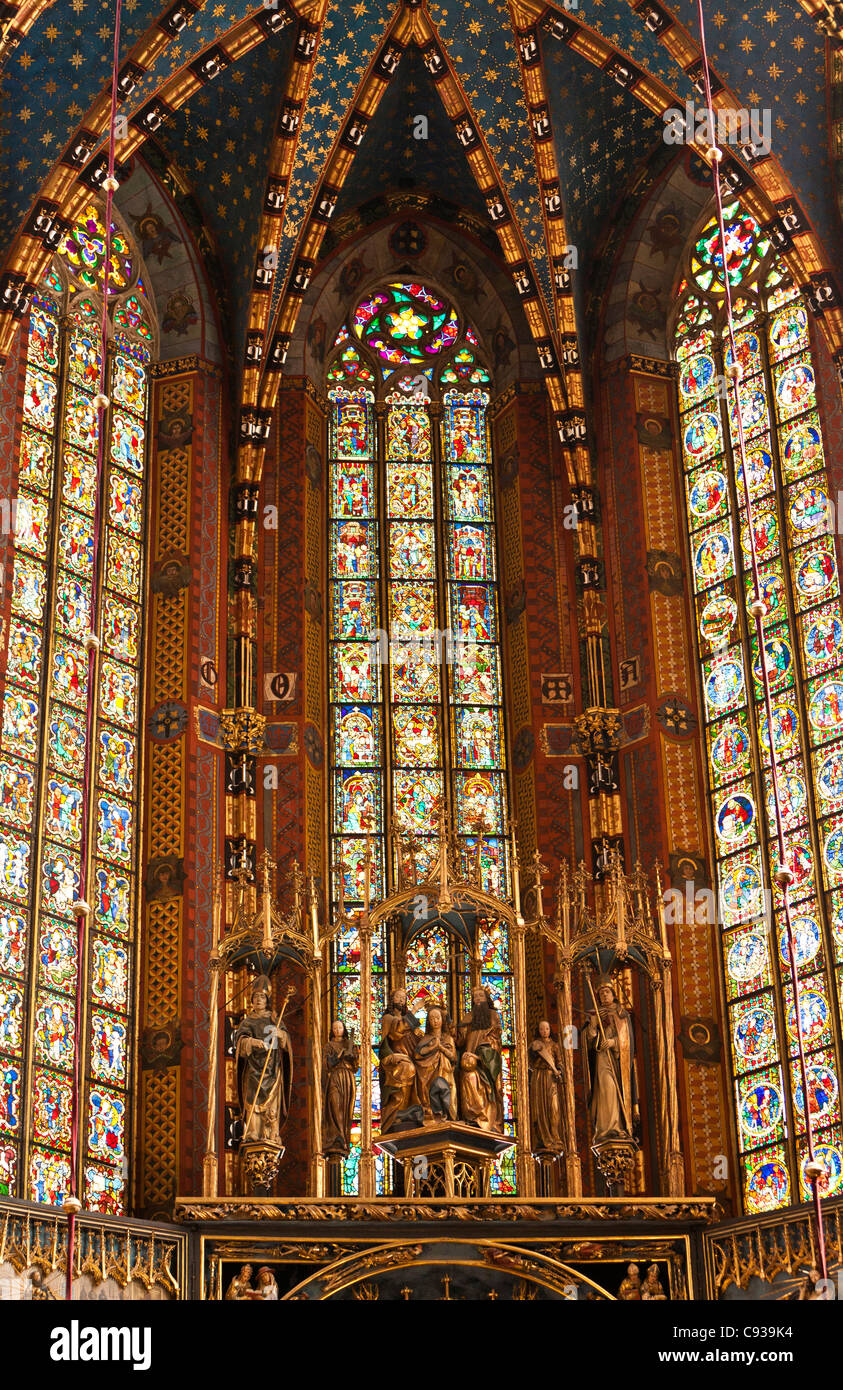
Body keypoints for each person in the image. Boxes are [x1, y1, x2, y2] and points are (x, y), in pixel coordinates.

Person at [233, 978, 293, 1142]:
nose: (259, 1000)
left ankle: (271, 1132)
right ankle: (253, 1131)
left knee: (272, 1100)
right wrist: (252, 1042)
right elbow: (240, 1042)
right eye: (256, 996)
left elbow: (286, 1043)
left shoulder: (274, 1019)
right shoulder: (247, 1021)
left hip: (272, 1068)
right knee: (252, 1097)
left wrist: (280, 1035)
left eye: (262, 997)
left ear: (267, 1000)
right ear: (251, 999)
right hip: (253, 1069)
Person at [584, 979, 636, 1143]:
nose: (603, 995)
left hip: (618, 1061)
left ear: (614, 994)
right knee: (607, 1089)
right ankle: (605, 1128)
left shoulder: (622, 1014)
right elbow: (588, 1041)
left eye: (606, 992)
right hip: (602, 1059)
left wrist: (614, 1042)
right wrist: (593, 1025)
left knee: (617, 1088)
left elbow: (627, 1039)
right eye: (600, 993)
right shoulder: (595, 1013)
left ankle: (619, 1126)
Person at [457, 986, 503, 1131]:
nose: (477, 999)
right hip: (469, 1060)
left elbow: (495, 1041)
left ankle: (486, 1119)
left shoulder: (493, 1016)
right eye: (475, 997)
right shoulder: (468, 1017)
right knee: (468, 1078)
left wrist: (480, 1056)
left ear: (486, 999)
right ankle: (472, 1117)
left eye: (480, 996)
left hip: (487, 1063)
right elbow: (459, 1041)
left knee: (484, 1085)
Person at [378, 986, 422, 1133]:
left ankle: (419, 1109)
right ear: (392, 1000)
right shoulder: (388, 1018)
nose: (401, 1000)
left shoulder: (405, 1019)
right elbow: (397, 1032)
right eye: (398, 997)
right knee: (407, 1069)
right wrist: (415, 1009)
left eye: (403, 998)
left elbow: (414, 1035)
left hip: (409, 1056)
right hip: (393, 1059)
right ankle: (398, 1112)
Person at [414, 1006, 457, 1122]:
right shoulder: (426, 1038)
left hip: (445, 1071)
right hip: (428, 1072)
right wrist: (433, 1047)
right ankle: (434, 1113)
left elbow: (453, 1057)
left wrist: (441, 1048)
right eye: (432, 1019)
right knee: (432, 1088)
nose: (435, 1021)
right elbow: (418, 1054)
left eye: (437, 1018)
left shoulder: (448, 1038)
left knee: (444, 1086)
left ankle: (446, 1114)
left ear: (442, 1020)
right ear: (428, 1022)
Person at [322, 1020, 358, 1155]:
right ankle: (338, 1136)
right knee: (335, 1106)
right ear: (332, 1030)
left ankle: (345, 1136)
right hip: (335, 1077)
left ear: (344, 1029)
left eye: (340, 1027)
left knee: (345, 1109)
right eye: (335, 1028)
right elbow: (326, 1064)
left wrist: (353, 1055)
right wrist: (338, 1056)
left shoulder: (350, 1044)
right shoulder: (329, 1046)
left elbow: (356, 1065)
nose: (337, 1030)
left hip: (347, 1077)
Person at [528, 1020, 564, 1153]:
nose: (544, 1031)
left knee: (553, 1108)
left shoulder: (555, 1046)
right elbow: (529, 1062)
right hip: (538, 1077)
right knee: (539, 1108)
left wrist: (559, 1070)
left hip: (550, 1077)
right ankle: (541, 1138)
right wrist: (533, 1052)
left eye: (546, 1029)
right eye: (541, 1029)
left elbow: (559, 1062)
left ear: (550, 1030)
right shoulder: (534, 1044)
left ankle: (555, 1137)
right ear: (538, 1030)